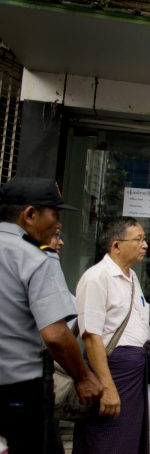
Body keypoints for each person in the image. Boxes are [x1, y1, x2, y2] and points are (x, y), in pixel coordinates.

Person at [0, 177, 103, 454]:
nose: (59, 224)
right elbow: (56, 335)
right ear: (30, 214)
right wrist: (82, 377)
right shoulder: (35, 257)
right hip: (18, 386)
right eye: (54, 215)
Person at [74, 216, 150, 454]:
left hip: (133, 375)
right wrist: (107, 388)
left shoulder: (132, 277)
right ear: (116, 245)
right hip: (112, 373)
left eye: (144, 239)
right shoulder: (97, 277)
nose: (145, 244)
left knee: (129, 443)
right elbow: (91, 336)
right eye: (138, 239)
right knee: (106, 442)